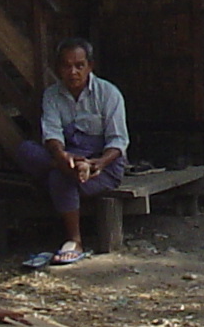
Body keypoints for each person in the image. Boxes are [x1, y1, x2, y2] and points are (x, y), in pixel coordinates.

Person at [9, 38, 131, 268]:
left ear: (90, 66)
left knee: (59, 177)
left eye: (79, 65)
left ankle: (75, 240)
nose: (73, 72)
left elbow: (118, 141)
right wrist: (62, 157)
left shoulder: (108, 94)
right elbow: (52, 134)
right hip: (67, 158)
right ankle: (67, 168)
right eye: (66, 66)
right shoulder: (52, 95)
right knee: (26, 151)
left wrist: (97, 164)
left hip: (102, 166)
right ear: (58, 68)